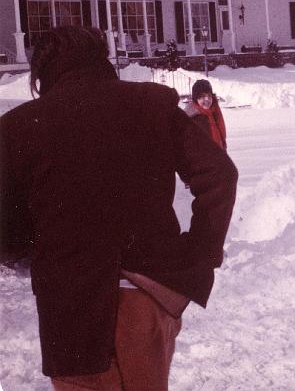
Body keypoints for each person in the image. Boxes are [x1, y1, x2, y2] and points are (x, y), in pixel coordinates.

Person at [0, 26, 238, 390]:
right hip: (148, 289)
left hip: (69, 300)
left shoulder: (20, 127)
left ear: (41, 71)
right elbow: (219, 174)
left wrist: (31, 251)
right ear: (101, 58)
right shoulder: (151, 104)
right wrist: (199, 254)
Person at [185, 79, 227, 150]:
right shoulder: (192, 119)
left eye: (209, 95)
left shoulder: (213, 112)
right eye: (202, 96)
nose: (207, 99)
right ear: (196, 99)